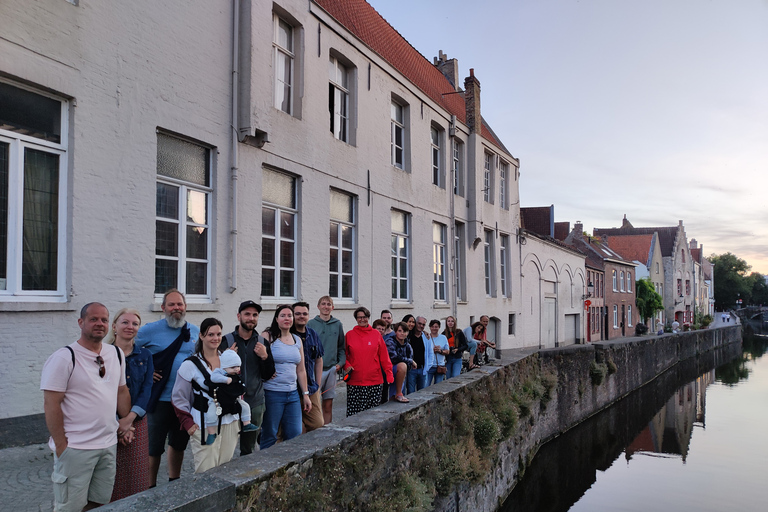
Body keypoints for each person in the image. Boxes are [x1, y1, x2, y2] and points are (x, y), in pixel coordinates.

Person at [41, 302, 132, 512]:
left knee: (98, 503)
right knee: (69, 507)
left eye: (104, 319)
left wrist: (126, 423)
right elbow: (51, 404)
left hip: (107, 445)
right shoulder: (64, 358)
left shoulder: (116, 354)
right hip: (76, 448)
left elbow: (121, 391)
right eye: (93, 319)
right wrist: (62, 446)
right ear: (81, 322)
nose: (99, 323)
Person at [135, 289, 199, 486]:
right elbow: (126, 348)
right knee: (153, 448)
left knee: (178, 444)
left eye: (179, 304)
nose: (176, 308)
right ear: (163, 308)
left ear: (185, 307)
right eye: (171, 305)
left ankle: (174, 481)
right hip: (159, 399)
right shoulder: (149, 330)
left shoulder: (195, 331)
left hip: (184, 400)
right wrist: (144, 371)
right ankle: (149, 486)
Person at [172, 318, 240, 473]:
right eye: (210, 334)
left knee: (226, 470)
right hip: (203, 424)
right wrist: (188, 424)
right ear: (202, 336)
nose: (215, 338)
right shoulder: (190, 365)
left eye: (218, 334)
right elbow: (178, 397)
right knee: (206, 472)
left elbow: (237, 387)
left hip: (230, 421)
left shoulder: (227, 360)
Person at [107, 308, 154, 502]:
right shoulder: (103, 354)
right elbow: (101, 392)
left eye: (135, 323)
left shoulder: (145, 355)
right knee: (111, 472)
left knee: (137, 473)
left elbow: (147, 388)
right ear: (114, 327)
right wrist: (119, 423)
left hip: (137, 421)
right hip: (109, 422)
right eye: (125, 322)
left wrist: (130, 420)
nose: (130, 327)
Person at [221, 300, 275, 456]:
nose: (251, 318)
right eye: (247, 314)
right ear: (239, 316)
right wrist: (226, 358)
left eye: (255, 315)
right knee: (226, 449)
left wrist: (265, 357)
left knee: (249, 449)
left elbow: (268, 374)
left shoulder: (262, 342)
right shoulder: (226, 341)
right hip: (229, 402)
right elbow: (215, 372)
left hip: (255, 403)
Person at [260, 305, 313, 450]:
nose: (287, 318)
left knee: (294, 433)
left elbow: (301, 370)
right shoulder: (267, 336)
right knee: (270, 433)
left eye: (289, 315)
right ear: (276, 319)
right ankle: (264, 465)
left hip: (292, 394)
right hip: (272, 393)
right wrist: (268, 369)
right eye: (283, 315)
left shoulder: (297, 340)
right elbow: (258, 360)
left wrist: (306, 394)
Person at [344, 307, 394, 416]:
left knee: (372, 415)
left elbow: (384, 356)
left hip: (374, 381)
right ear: (356, 319)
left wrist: (389, 373)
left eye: (365, 317)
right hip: (355, 381)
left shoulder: (376, 335)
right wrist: (346, 365)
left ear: (368, 318)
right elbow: (344, 355)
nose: (362, 319)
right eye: (359, 317)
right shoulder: (349, 335)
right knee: (354, 414)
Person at [203, 349, 258, 444]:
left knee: (245, 406)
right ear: (225, 367)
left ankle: (246, 424)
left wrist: (243, 390)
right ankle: (211, 433)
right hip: (217, 400)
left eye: (238, 366)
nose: (236, 369)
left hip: (234, 399)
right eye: (233, 367)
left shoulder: (236, 375)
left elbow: (242, 384)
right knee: (211, 415)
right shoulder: (219, 372)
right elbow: (213, 378)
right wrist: (225, 379)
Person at [307, 296, 346, 425]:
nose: (326, 306)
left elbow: (341, 347)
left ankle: (327, 429)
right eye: (323, 304)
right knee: (313, 404)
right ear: (318, 307)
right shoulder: (311, 324)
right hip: (314, 371)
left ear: (332, 307)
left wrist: (340, 364)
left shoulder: (337, 324)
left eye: (329, 304)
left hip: (331, 369)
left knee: (328, 404)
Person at [292, 301, 325, 432]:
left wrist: (318, 383)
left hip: (311, 388)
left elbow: (319, 360)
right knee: (294, 428)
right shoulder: (287, 336)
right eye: (298, 313)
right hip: (292, 388)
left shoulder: (313, 334)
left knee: (317, 423)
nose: (301, 316)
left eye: (304, 314)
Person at [385, 322, 415, 403]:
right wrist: (410, 361)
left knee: (403, 366)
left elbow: (409, 363)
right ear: (395, 332)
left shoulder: (408, 345)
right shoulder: (390, 341)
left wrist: (409, 361)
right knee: (402, 366)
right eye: (400, 331)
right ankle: (398, 394)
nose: (402, 333)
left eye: (404, 331)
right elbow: (394, 358)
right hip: (388, 370)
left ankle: (395, 396)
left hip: (400, 372)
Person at [406, 316, 434, 394]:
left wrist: (427, 367)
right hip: (411, 370)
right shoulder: (409, 336)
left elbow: (430, 353)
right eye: (419, 323)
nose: (421, 326)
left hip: (423, 370)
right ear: (415, 323)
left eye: (423, 324)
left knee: (422, 393)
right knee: (410, 393)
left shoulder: (426, 337)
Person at [425, 319, 449, 386]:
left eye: (436, 327)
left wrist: (440, 351)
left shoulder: (443, 337)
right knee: (426, 386)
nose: (434, 328)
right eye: (432, 326)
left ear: (439, 327)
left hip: (440, 365)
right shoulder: (426, 337)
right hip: (429, 366)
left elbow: (447, 351)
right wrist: (431, 350)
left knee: (438, 387)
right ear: (430, 327)